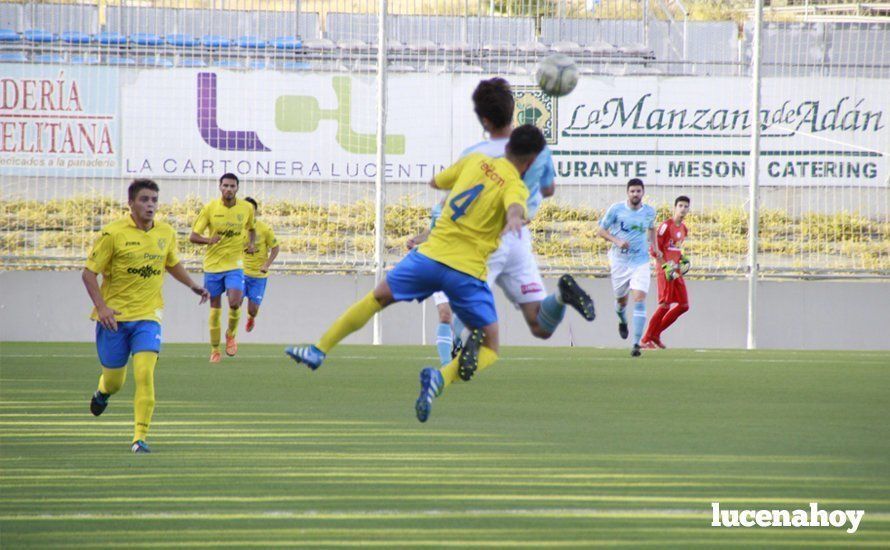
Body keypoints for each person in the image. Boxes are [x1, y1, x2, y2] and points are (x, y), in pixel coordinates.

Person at [285, 125, 545, 423]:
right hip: (466, 272)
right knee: (491, 347)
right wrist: (513, 217)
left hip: (429, 257)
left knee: (376, 298)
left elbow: (437, 181)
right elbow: (515, 207)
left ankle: (319, 350)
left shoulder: (475, 161)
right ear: (531, 160)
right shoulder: (517, 187)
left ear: (508, 145)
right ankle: (440, 378)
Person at [83, 179, 210, 453]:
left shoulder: (165, 232)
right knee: (115, 381)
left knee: (144, 373)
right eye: (144, 199)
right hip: (114, 319)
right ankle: (103, 391)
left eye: (154, 199)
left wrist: (192, 284)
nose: (150, 205)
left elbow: (171, 263)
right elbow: (88, 273)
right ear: (131, 203)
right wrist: (102, 307)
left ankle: (139, 438)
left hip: (148, 316)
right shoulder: (112, 234)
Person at [190, 173, 255, 362]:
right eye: (225, 185)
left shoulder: (246, 208)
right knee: (215, 309)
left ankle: (231, 334)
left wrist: (251, 244)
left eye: (232, 186)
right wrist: (209, 240)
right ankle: (215, 349)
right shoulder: (210, 208)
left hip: (235, 264)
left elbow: (251, 228)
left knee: (235, 302)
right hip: (213, 266)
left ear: (237, 188)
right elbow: (193, 236)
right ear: (220, 187)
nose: (228, 189)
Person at [596, 178, 661, 357]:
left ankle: (636, 343)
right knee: (622, 301)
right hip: (619, 262)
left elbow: (652, 228)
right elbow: (601, 231)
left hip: (640, 262)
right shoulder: (616, 210)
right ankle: (622, 319)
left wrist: (655, 247)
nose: (635, 194)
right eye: (632, 191)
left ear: (643, 192)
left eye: (638, 191)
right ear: (627, 193)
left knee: (639, 298)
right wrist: (617, 241)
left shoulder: (649, 212)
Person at [406, 199, 462, 366]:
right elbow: (431, 232)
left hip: (463, 267)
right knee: (445, 313)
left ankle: (457, 340)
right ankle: (446, 366)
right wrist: (415, 240)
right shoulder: (439, 207)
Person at [642, 196, 691, 349]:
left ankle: (655, 334)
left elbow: (674, 248)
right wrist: (664, 266)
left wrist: (683, 259)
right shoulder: (665, 226)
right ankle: (645, 339)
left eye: (686, 206)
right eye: (680, 206)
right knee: (664, 305)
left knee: (683, 305)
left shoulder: (684, 229)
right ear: (675, 208)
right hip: (666, 269)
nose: (683, 209)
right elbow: (654, 249)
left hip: (676, 270)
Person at [242, 197, 280, 333]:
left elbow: (275, 248)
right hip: (241, 272)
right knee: (235, 303)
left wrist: (266, 265)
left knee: (252, 310)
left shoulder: (264, 229)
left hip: (258, 275)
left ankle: (251, 318)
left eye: (251, 210)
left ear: (255, 212)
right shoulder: (236, 227)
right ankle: (231, 334)